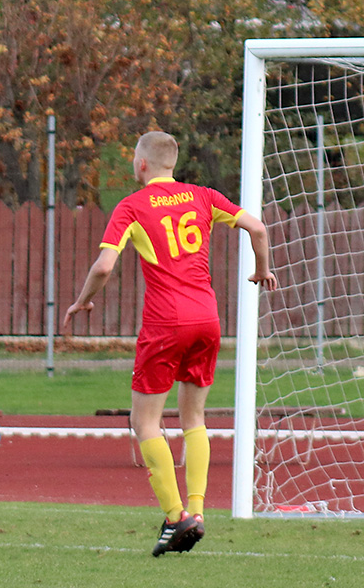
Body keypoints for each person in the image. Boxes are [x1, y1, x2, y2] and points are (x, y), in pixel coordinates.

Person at [62, 131, 277, 556]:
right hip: (207, 318)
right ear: (172, 164)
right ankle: (197, 510)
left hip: (166, 322)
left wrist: (82, 300)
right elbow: (257, 227)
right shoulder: (203, 196)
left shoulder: (132, 206)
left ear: (141, 163)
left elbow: (104, 266)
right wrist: (261, 270)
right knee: (193, 417)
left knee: (145, 422)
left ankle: (175, 517)